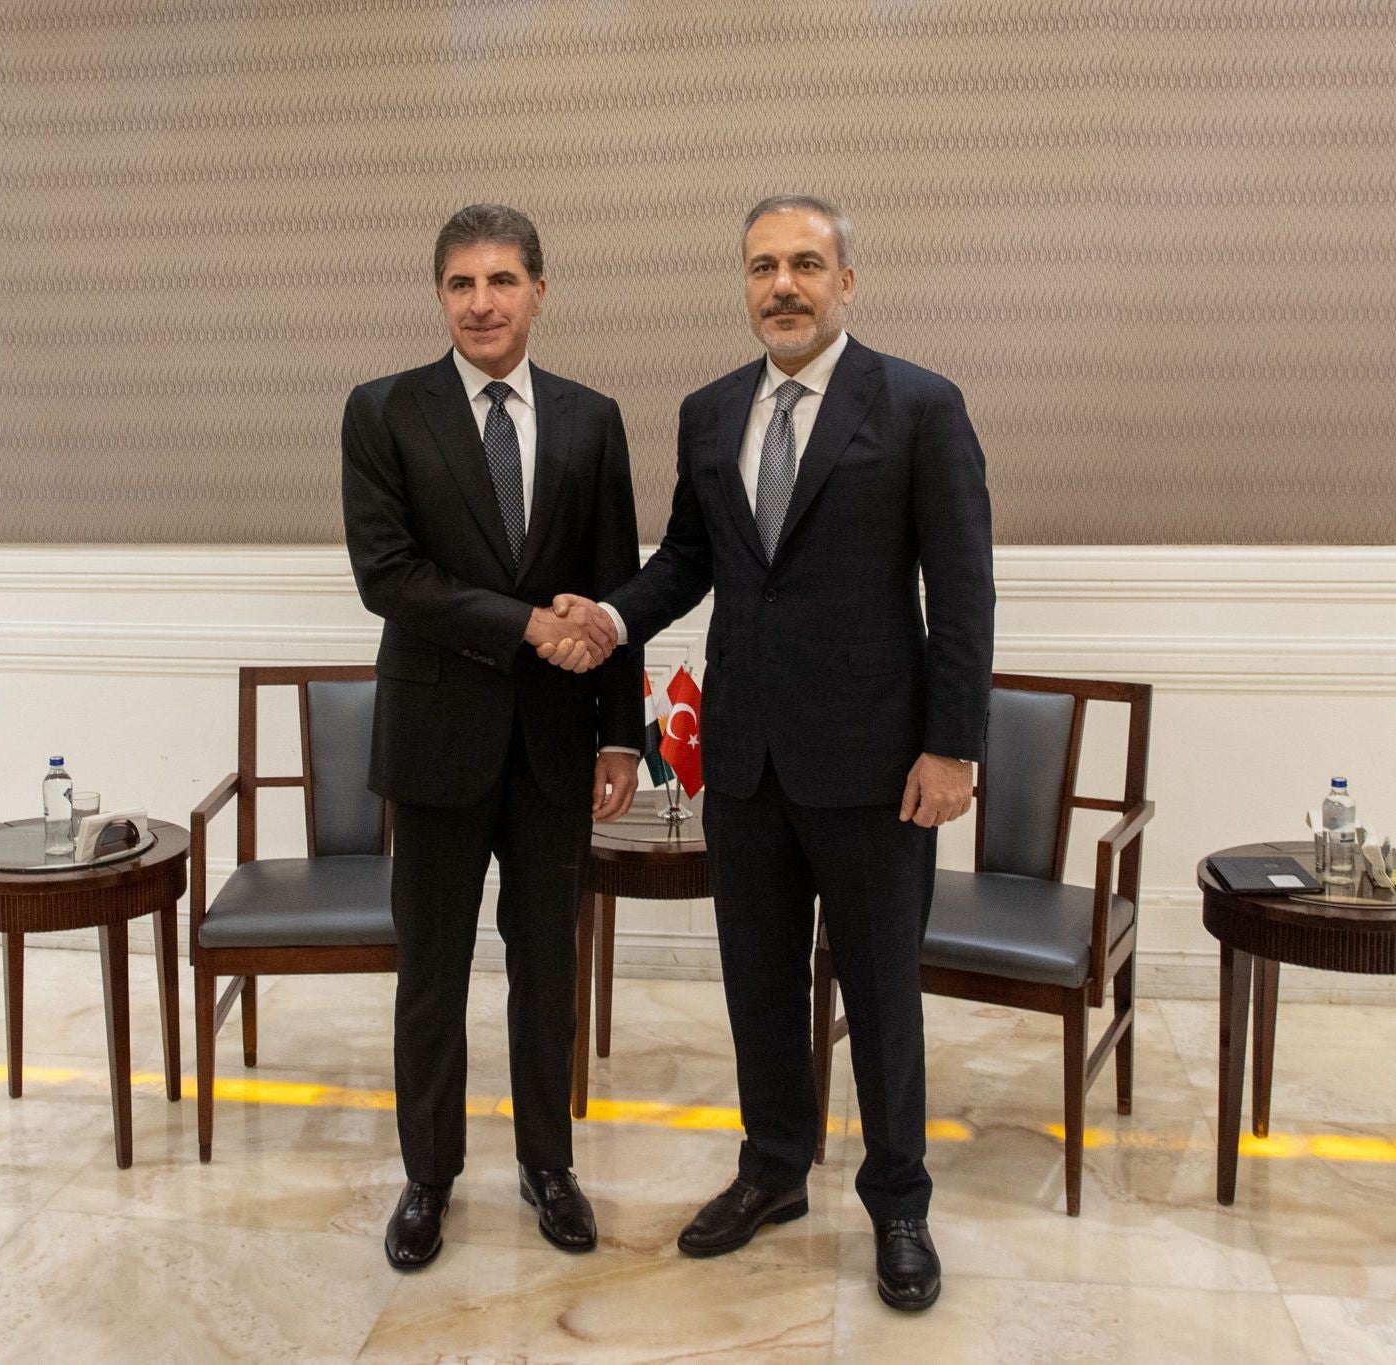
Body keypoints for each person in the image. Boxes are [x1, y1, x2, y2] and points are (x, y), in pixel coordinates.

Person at [544, 194, 995, 1310]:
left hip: (876, 767)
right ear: (743, 285)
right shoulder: (709, 413)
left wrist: (951, 749)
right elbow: (687, 560)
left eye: (804, 264)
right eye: (761, 267)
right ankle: (774, 1169)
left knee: (881, 993)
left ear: (847, 282)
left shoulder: (920, 405)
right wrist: (611, 617)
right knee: (757, 982)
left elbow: (962, 589)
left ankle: (898, 1203)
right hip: (743, 761)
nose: (781, 286)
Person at [340, 203, 643, 1271]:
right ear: (439, 296)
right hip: (435, 740)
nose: (481, 303)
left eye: (502, 281)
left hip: (558, 747)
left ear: (538, 293)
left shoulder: (593, 419)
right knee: (431, 970)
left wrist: (622, 736)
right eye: (461, 284)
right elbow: (389, 577)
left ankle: (548, 1167)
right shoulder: (382, 411)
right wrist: (524, 625)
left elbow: (613, 587)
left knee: (546, 970)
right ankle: (428, 1177)